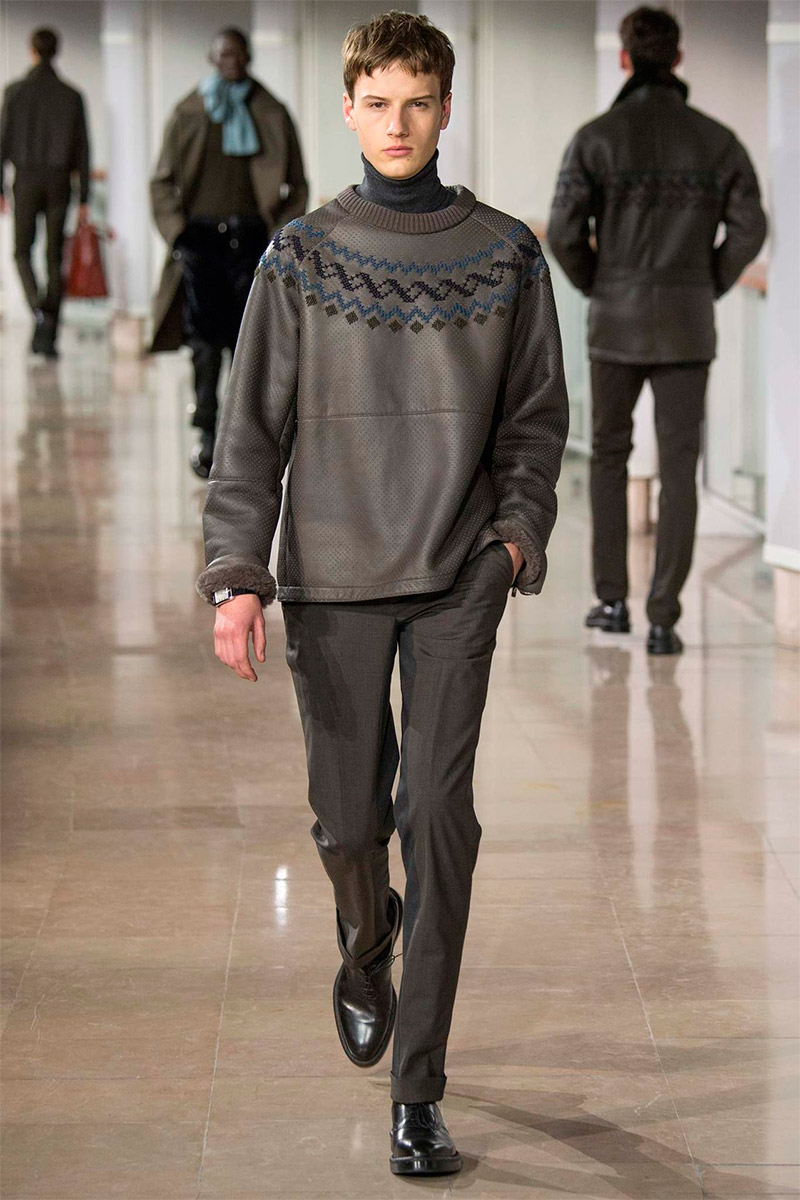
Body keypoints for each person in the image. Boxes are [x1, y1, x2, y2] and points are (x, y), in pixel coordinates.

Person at [195, 9, 568, 1175]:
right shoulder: (299, 256)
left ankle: (418, 1092)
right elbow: (249, 431)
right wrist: (236, 578)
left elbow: (535, 422)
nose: (396, 124)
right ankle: (366, 939)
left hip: (458, 575)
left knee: (436, 817)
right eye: (376, 104)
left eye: (417, 102)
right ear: (348, 110)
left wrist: (512, 543)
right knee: (349, 821)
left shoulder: (507, 254)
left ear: (445, 108)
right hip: (332, 576)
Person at [547, 5, 767, 655]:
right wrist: (707, 281)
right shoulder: (718, 141)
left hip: (614, 321)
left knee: (609, 458)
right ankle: (665, 618)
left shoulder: (594, 138)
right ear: (677, 58)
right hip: (687, 325)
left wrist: (599, 283)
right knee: (679, 468)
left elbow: (564, 232)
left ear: (624, 58)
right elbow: (750, 227)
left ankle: (612, 601)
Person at [149, 27, 308, 478]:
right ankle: (206, 430)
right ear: (211, 57)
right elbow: (161, 181)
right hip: (200, 239)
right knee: (203, 342)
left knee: (248, 342)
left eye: (237, 54)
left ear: (248, 56)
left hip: (253, 239)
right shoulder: (190, 111)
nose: (230, 61)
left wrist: (280, 236)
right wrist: (178, 234)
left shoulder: (271, 110)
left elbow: (297, 183)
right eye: (223, 55)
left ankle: (242, 439)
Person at [0, 27, 90, 359]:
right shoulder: (71, 95)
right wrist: (84, 196)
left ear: (32, 51)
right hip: (59, 182)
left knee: (21, 251)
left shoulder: (15, 92)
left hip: (25, 179)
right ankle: (48, 328)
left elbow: (2, 141)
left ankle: (39, 309)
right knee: (54, 256)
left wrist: (0, 186)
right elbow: (83, 148)